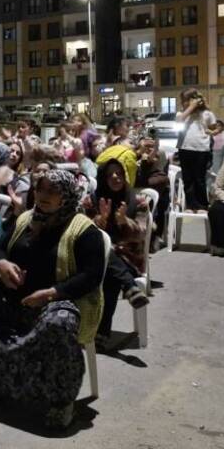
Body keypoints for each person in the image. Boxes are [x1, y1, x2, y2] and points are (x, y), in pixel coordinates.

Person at [0, 169, 105, 430]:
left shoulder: (83, 230)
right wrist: (1, 262)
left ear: (66, 197)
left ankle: (61, 401)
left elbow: (92, 275)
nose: (44, 196)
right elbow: (0, 245)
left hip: (60, 301)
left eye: (52, 191)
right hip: (15, 297)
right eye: (41, 190)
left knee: (58, 325)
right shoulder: (25, 218)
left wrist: (51, 293)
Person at [89, 146, 150, 346]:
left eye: (119, 173)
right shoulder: (93, 200)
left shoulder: (138, 201)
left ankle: (102, 331)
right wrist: (100, 220)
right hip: (95, 258)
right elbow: (81, 228)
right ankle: (130, 287)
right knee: (106, 255)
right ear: (103, 178)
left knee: (110, 275)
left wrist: (125, 222)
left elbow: (142, 232)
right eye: (110, 175)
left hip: (128, 258)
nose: (115, 178)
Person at [175, 88, 216, 212]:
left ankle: (202, 205)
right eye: (183, 101)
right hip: (184, 148)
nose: (183, 103)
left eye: (186, 100)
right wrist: (190, 108)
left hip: (202, 149)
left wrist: (211, 131)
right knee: (188, 179)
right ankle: (190, 205)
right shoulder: (181, 113)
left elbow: (212, 127)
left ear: (194, 99)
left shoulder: (207, 114)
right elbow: (179, 120)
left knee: (199, 178)